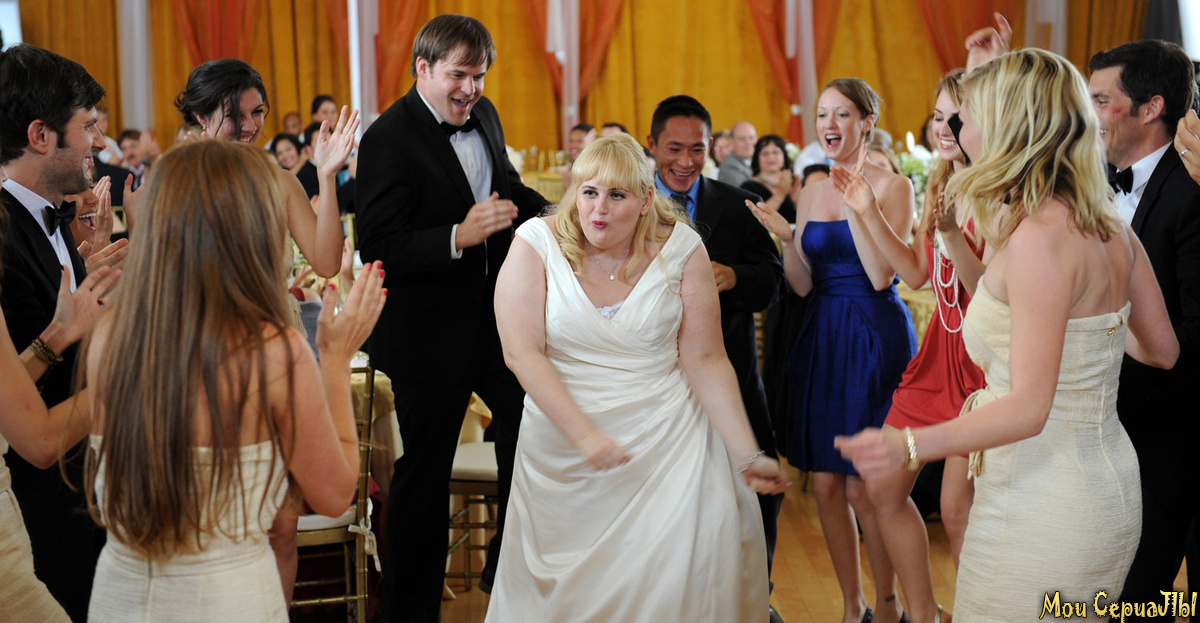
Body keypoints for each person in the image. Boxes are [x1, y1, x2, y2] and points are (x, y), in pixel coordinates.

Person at [836, 48, 1179, 620]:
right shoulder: (1110, 227)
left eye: (966, 115)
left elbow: (1029, 409)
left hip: (1046, 499)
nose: (956, 127)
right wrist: (1083, 356)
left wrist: (909, 444)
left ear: (1007, 125)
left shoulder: (1040, 237)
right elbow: (1161, 350)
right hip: (1104, 483)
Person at [487, 133, 788, 622]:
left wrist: (745, 453)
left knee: (674, 585)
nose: (598, 209)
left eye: (617, 195)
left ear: (647, 201)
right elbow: (521, 353)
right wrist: (585, 436)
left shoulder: (682, 248)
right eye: (589, 192)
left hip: (670, 440)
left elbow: (707, 358)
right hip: (563, 443)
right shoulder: (535, 245)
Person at [81, 140, 385, 622]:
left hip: (122, 596)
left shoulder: (110, 334)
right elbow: (332, 495)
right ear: (250, 229)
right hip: (227, 599)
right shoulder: (272, 351)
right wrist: (334, 356)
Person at [354, 14, 548, 620]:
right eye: (459, 75)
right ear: (423, 68)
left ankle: (505, 568)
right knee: (424, 475)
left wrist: (563, 214)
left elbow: (508, 190)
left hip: (493, 325)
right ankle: (410, 612)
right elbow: (376, 244)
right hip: (424, 336)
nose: (471, 89)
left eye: (479, 76)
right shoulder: (387, 138)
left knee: (535, 426)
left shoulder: (485, 116)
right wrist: (456, 236)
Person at [749, 77, 916, 623]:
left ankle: (888, 605)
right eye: (822, 114)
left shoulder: (893, 186)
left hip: (873, 333)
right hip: (823, 332)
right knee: (824, 484)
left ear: (866, 122)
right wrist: (787, 237)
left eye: (841, 114)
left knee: (867, 486)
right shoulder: (813, 188)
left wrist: (861, 208)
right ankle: (851, 605)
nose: (829, 125)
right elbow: (802, 285)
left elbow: (879, 275)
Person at [829, 70, 983, 623]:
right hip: (936, 359)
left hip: (982, 367)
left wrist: (951, 235)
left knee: (955, 511)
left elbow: (993, 293)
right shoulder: (941, 184)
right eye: (937, 117)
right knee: (881, 489)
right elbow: (916, 275)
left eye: (956, 118)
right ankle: (923, 614)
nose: (943, 128)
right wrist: (867, 211)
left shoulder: (1000, 191)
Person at [645, 95, 786, 622]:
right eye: (674, 149)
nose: (685, 161)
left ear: (713, 147)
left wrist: (735, 276)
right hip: (656, 382)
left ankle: (755, 595)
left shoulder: (738, 203)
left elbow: (771, 281)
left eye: (697, 149)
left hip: (732, 374)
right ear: (652, 144)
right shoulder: (629, 201)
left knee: (755, 491)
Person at [0, 42, 115, 620]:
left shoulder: (50, 219)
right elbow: (27, 410)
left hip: (79, 489)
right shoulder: (5, 237)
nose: (100, 141)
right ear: (41, 135)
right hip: (39, 508)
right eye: (88, 125)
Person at [1087, 40, 1200, 620]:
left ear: (1151, 107)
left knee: (1141, 597)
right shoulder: (1095, 181)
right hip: (1110, 432)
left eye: (1101, 101)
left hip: (1170, 436)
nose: (1089, 115)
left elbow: (1193, 335)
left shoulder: (1191, 192)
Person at [167, 58, 352, 277]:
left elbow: (327, 265)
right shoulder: (179, 183)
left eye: (256, 112)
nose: (250, 126)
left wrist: (326, 175)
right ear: (202, 117)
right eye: (234, 116)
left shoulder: (281, 183)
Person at [742, 134, 800, 224]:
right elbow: (754, 220)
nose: (771, 157)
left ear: (784, 156)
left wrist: (797, 201)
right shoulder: (748, 187)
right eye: (765, 153)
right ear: (757, 158)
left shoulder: (794, 182)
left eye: (775, 152)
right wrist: (780, 194)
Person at [719, 121, 757, 186]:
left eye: (751, 138)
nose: (748, 142)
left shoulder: (758, 161)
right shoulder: (730, 166)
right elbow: (745, 190)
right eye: (742, 139)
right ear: (731, 141)